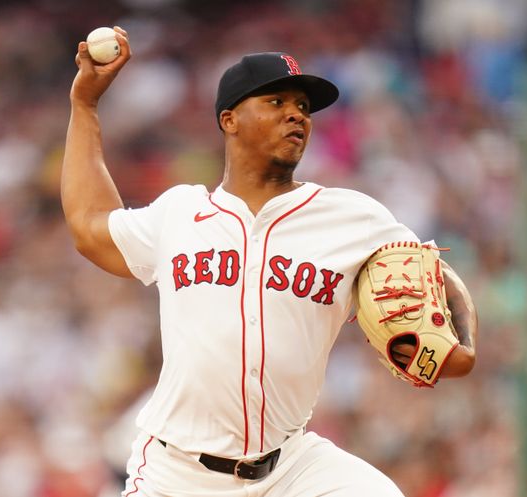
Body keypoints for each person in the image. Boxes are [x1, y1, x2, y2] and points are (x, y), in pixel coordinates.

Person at [61, 26, 478, 497]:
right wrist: (85, 107)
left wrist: (461, 343)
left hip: (291, 469)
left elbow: (435, 273)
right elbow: (89, 223)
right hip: (175, 473)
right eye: (276, 103)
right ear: (230, 119)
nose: (296, 116)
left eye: (302, 107)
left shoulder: (352, 217)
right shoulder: (179, 213)